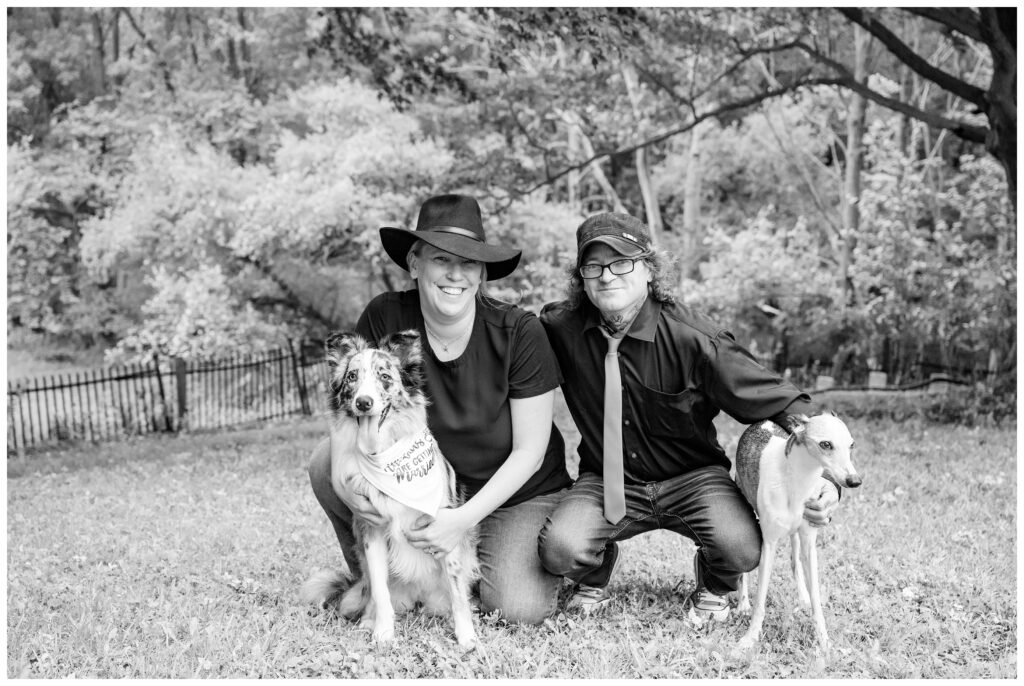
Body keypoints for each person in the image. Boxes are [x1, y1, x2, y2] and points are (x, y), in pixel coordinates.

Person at [538, 212, 841, 620]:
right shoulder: (560, 328)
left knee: (742, 548)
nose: (607, 276)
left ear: (648, 268)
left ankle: (714, 582)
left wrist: (828, 481)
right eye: (593, 266)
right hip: (607, 480)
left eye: (622, 262)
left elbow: (780, 400)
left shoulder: (695, 337)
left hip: (693, 478)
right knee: (560, 548)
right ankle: (595, 571)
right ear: (581, 277)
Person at [308, 194, 572, 624]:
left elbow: (530, 451)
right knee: (326, 464)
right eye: (441, 258)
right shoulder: (384, 315)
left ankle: (575, 553)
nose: (455, 274)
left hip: (511, 493)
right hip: (421, 484)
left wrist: (461, 519)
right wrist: (344, 481)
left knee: (516, 608)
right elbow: (347, 412)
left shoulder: (520, 332)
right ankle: (381, 583)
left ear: (482, 272)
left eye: (469, 262)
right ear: (415, 263)